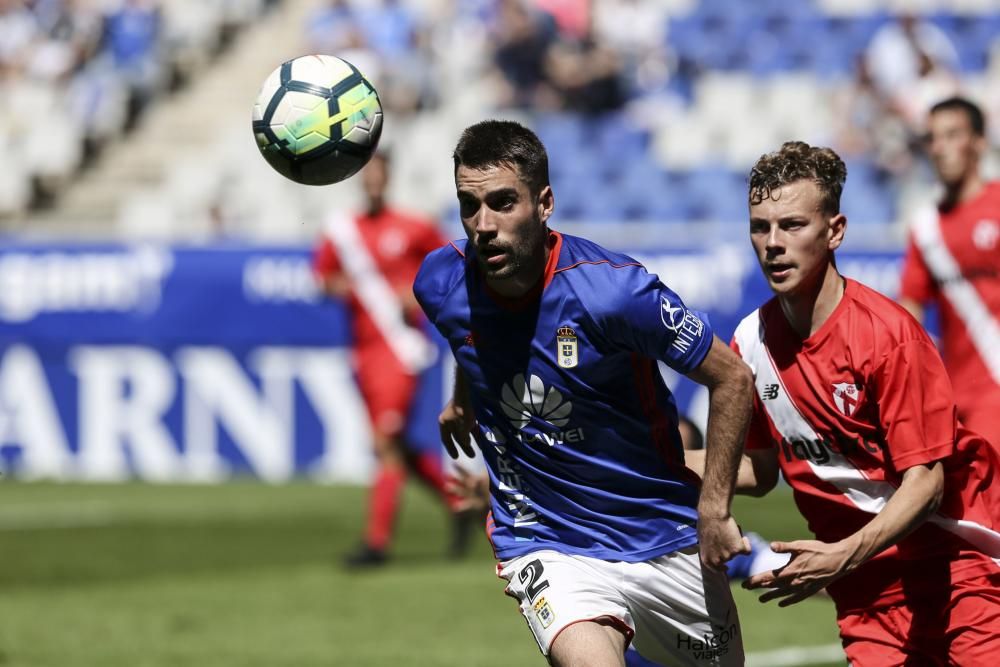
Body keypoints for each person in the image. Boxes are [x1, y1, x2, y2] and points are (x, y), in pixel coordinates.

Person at [414, 119, 753, 667]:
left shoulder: (614, 292)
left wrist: (713, 510)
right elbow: (465, 330)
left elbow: (732, 378)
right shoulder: (439, 279)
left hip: (661, 534)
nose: (483, 225)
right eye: (469, 206)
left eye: (503, 202)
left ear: (544, 203)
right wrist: (464, 395)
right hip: (544, 539)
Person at [702, 140, 1000, 665]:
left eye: (792, 225)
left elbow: (926, 485)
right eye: (760, 226)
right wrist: (639, 458)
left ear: (834, 231)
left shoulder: (890, 338)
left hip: (959, 566)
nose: (773, 243)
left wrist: (839, 556)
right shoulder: (749, 343)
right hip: (866, 590)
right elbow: (757, 468)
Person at [313, 152, 464, 567]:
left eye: (379, 172)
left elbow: (453, 266)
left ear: (389, 176)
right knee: (394, 445)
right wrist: (337, 285)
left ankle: (376, 543)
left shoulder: (414, 226)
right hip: (363, 351)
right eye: (367, 174)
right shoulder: (344, 231)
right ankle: (461, 503)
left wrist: (415, 293)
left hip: (400, 352)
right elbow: (322, 279)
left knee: (384, 445)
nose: (373, 181)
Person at [899, 96, 1000, 449]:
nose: (939, 148)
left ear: (979, 141)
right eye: (932, 138)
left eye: (952, 135)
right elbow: (910, 305)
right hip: (952, 400)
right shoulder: (926, 227)